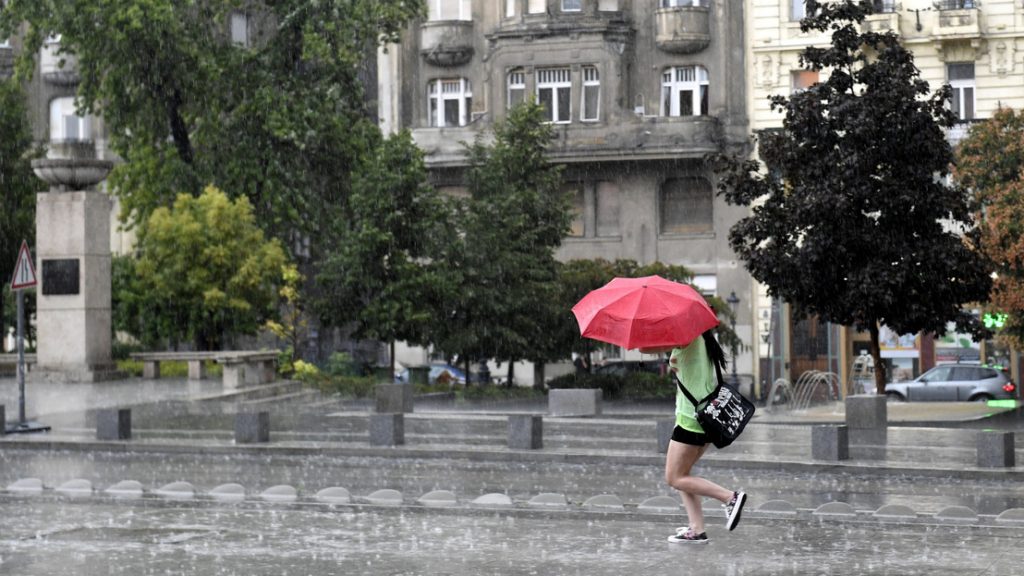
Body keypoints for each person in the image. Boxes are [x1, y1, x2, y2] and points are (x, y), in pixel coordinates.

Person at [645, 330, 747, 544]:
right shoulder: (703, 339)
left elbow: (646, 348)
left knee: (674, 478)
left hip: (690, 421)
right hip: (702, 419)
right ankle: (697, 529)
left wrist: (639, 340)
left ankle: (730, 497)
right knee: (684, 477)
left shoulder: (687, 337)